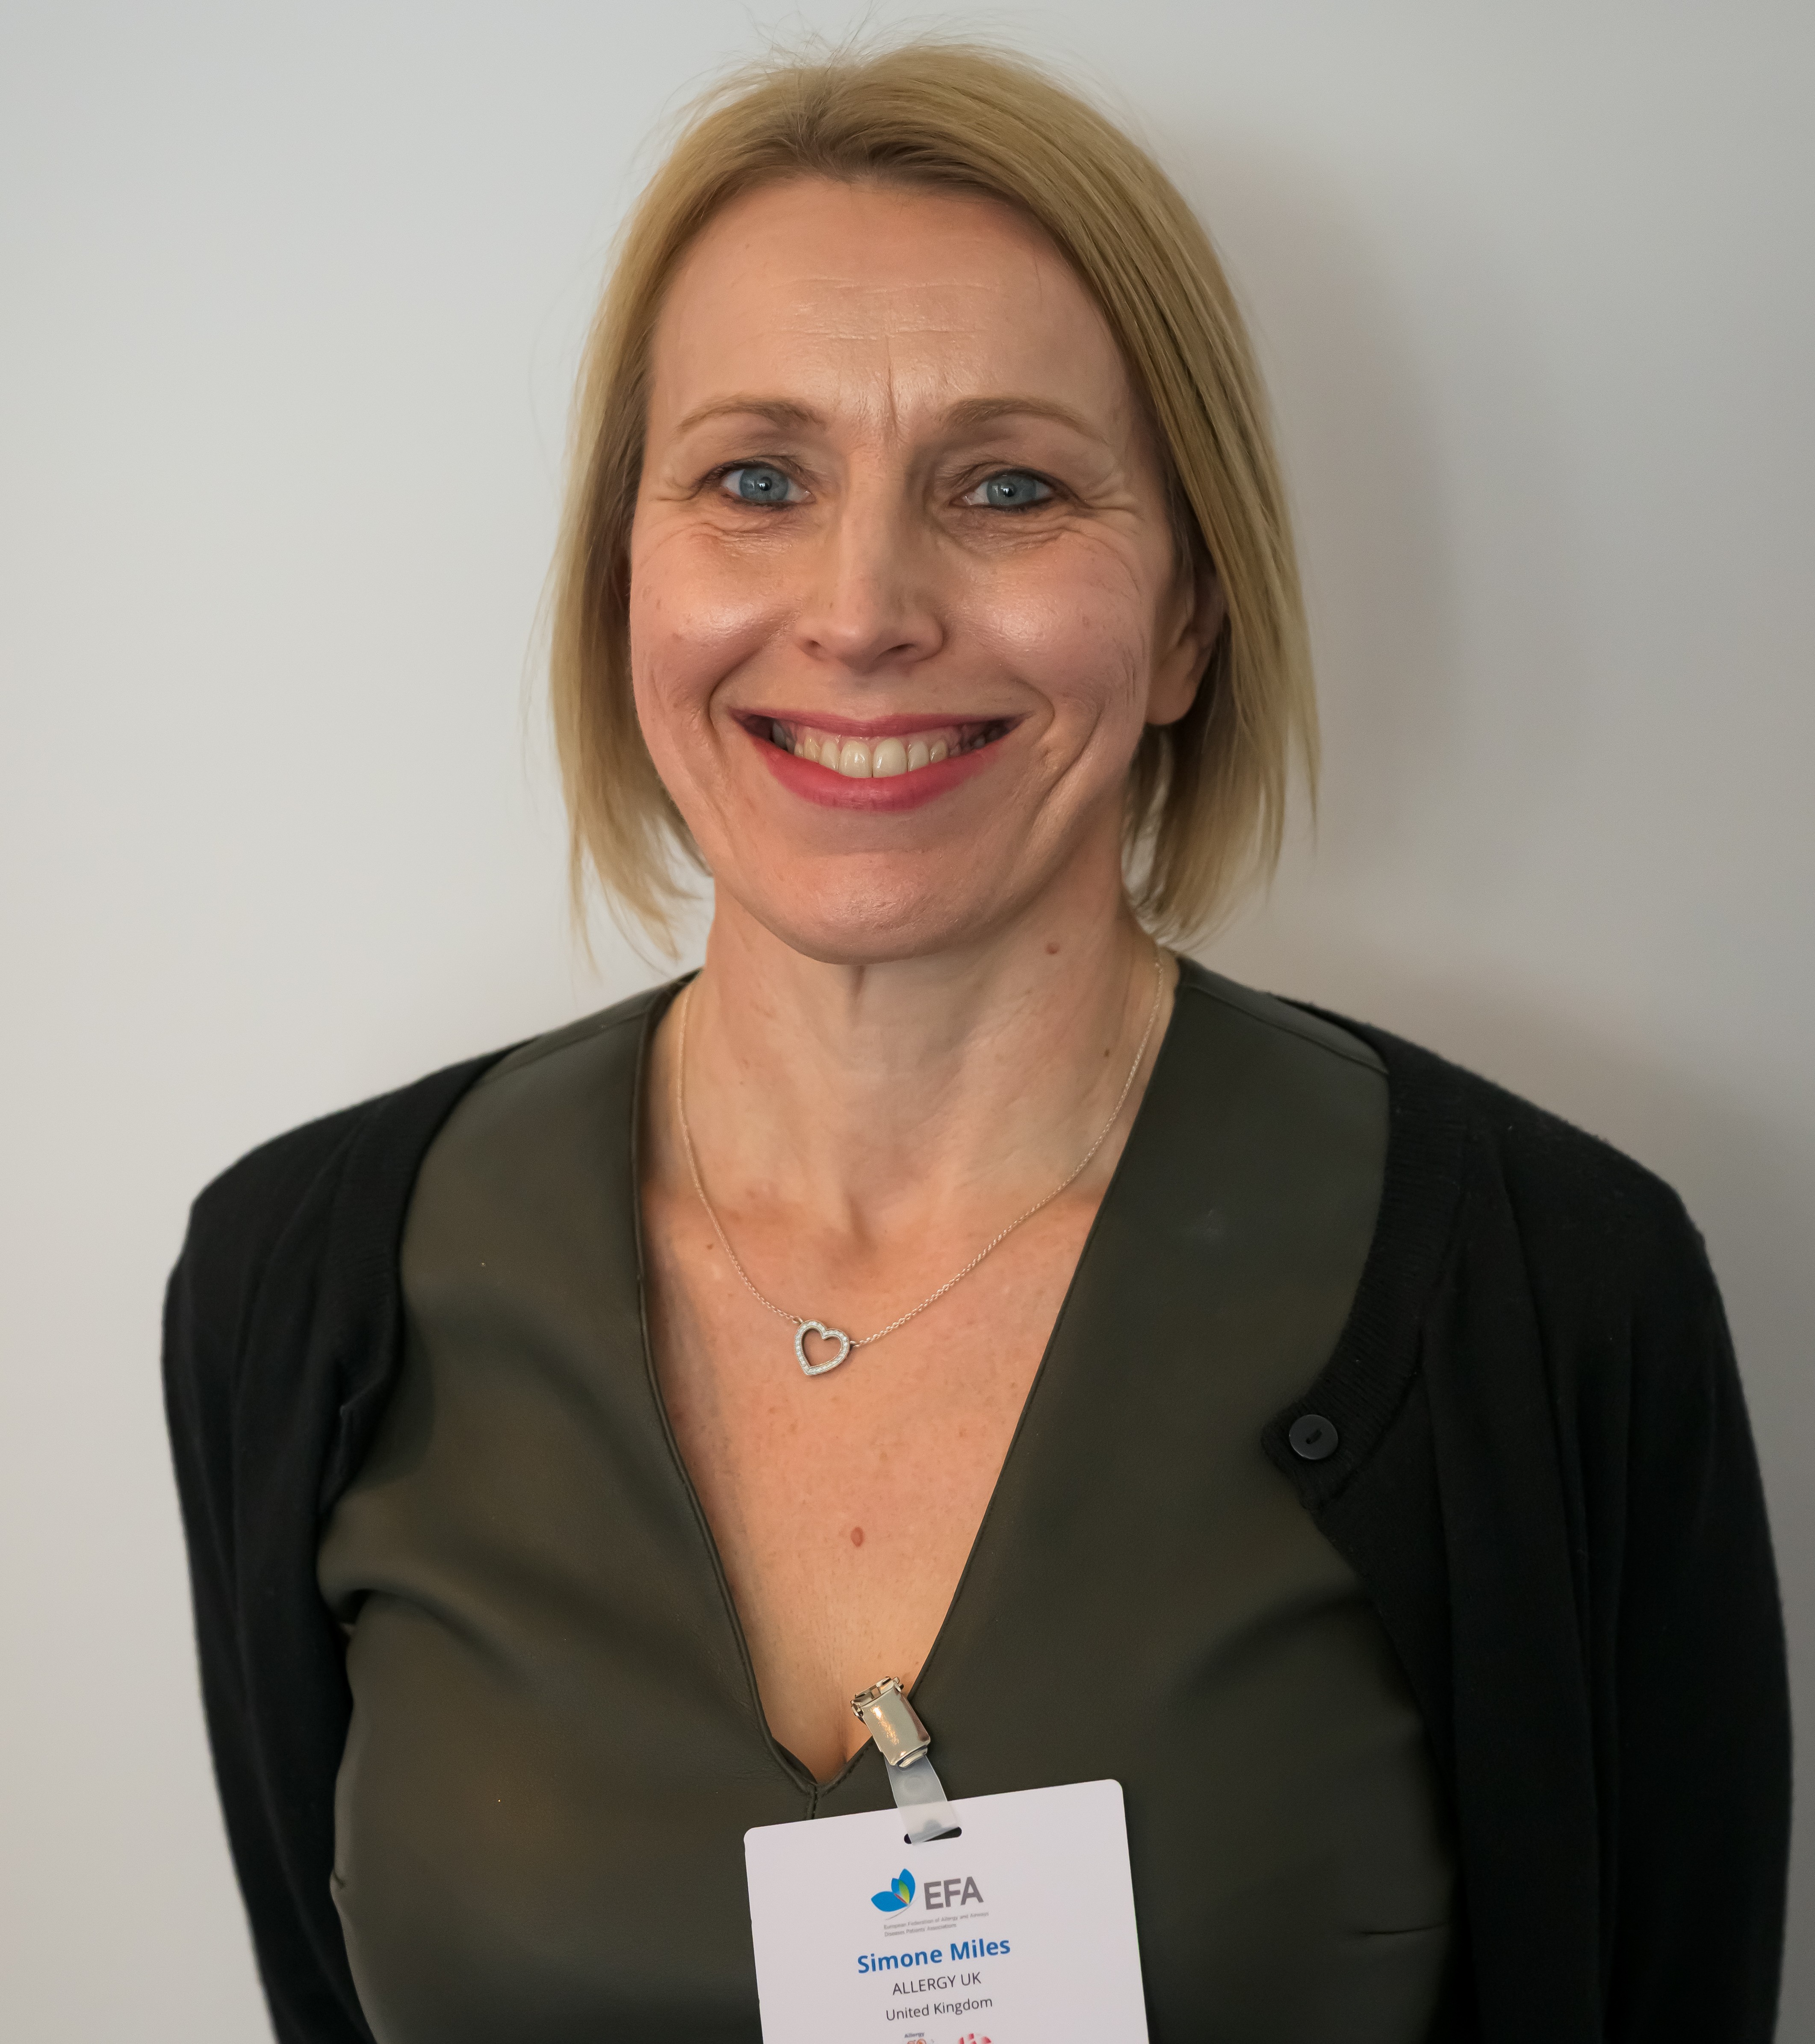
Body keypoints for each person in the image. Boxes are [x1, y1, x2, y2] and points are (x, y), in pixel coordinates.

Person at [163, 40, 1789, 2044]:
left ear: (1189, 615)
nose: (863, 611)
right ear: (625, 582)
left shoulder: (1552, 1296)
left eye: (1008, 486)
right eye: (757, 480)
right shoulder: (302, 1287)